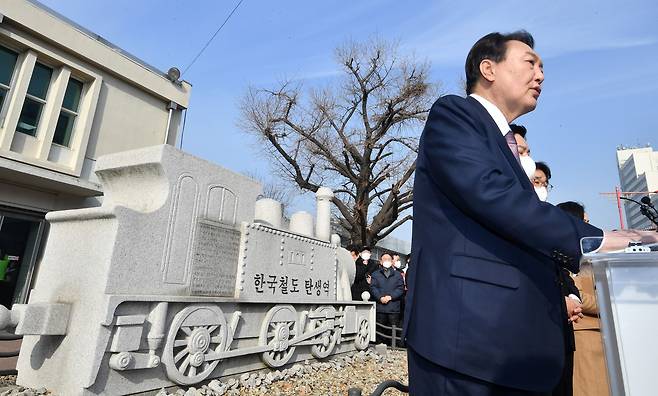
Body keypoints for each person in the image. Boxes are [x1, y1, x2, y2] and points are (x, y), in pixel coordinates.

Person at [405, 30, 658, 395]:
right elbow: (492, 195)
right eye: (529, 63)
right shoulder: (456, 114)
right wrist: (601, 239)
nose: (540, 75)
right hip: (470, 345)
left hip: (518, 348)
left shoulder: (505, 143)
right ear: (488, 68)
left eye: (542, 67)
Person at [556, 202, 610, 396]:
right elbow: (602, 299)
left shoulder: (595, 259)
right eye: (585, 221)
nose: (589, 226)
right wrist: (575, 297)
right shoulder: (558, 258)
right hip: (581, 338)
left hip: (601, 338)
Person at [370, 252, 405, 345]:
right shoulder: (375, 274)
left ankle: (394, 348)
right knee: (380, 331)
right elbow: (373, 288)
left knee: (393, 331)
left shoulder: (398, 275)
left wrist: (390, 297)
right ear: (380, 262)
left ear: (392, 261)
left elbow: (400, 288)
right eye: (384, 259)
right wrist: (380, 297)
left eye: (389, 259)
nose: (387, 261)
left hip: (393, 308)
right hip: (380, 307)